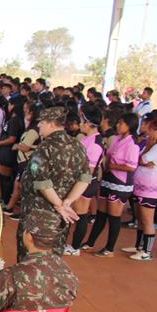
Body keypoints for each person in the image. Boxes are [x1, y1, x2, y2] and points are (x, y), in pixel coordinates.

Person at [17, 106, 90, 261]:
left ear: (51, 124)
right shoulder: (78, 146)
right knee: (54, 257)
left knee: (29, 258)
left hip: (37, 214)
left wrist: (58, 204)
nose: (39, 126)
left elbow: (42, 182)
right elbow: (85, 179)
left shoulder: (44, 147)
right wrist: (67, 203)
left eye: (41, 123)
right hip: (60, 216)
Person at [83, 113, 140, 257]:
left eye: (121, 123)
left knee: (114, 216)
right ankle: (90, 242)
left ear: (130, 125)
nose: (118, 125)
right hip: (109, 179)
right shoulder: (117, 139)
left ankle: (109, 249)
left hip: (120, 182)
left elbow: (132, 167)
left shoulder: (132, 143)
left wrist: (113, 166)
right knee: (102, 213)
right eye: (118, 123)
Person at [122, 115, 157, 260]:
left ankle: (146, 252)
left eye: (150, 130)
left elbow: (141, 159)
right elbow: (141, 159)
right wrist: (144, 159)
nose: (148, 134)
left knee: (147, 220)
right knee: (140, 218)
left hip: (150, 187)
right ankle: (139, 246)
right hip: (142, 185)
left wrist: (145, 154)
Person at [65, 105, 104, 255]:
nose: (80, 123)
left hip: (85, 183)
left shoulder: (94, 144)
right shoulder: (88, 138)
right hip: (79, 181)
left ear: (88, 123)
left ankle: (75, 247)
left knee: (80, 214)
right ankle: (73, 245)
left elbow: (89, 170)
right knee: (76, 212)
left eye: (82, 120)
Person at [0, 96, 24, 206]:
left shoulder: (15, 121)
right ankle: (4, 197)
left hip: (8, 153)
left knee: (4, 176)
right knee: (1, 174)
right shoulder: (13, 119)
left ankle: (5, 199)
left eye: (10, 104)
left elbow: (12, 138)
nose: (8, 107)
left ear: (14, 106)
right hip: (5, 151)